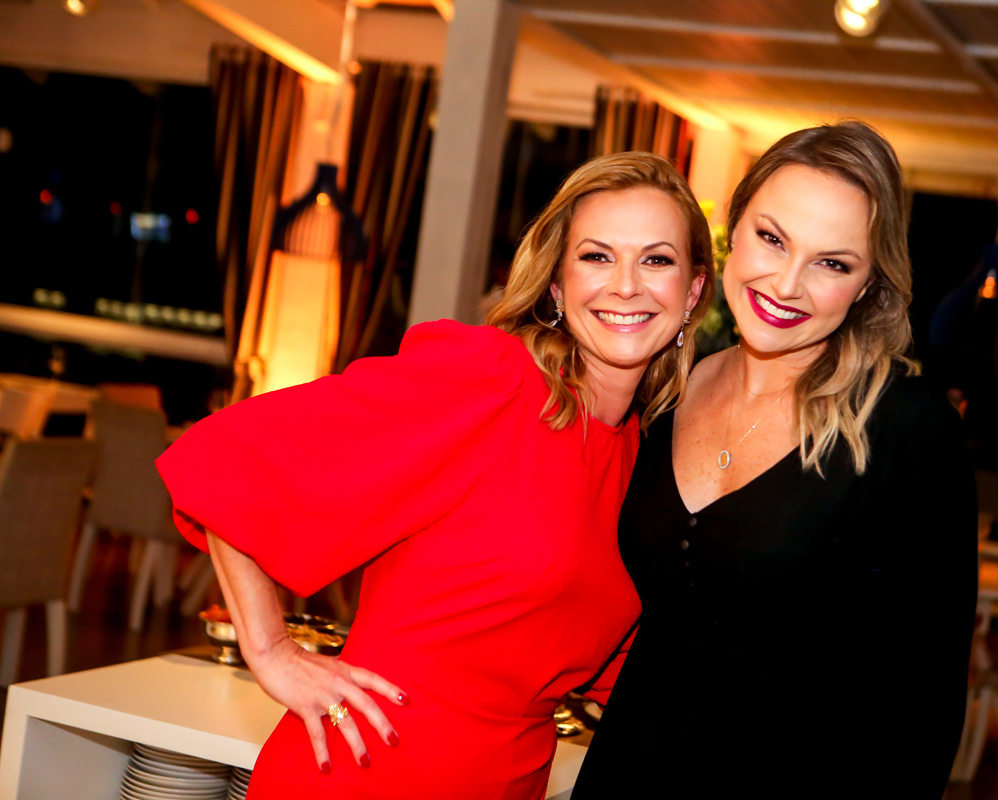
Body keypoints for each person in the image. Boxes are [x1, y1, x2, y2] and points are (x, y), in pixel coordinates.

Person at [156, 151, 713, 799]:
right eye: (596, 256)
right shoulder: (493, 382)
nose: (625, 285)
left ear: (692, 291)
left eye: (656, 260)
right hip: (370, 771)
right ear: (557, 287)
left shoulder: (642, 456)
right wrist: (272, 651)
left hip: (511, 780)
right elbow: (226, 460)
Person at [572, 122, 978, 798]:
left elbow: (926, 702)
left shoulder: (909, 428)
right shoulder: (666, 387)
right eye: (773, 238)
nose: (787, 284)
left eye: (832, 264)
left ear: (868, 285)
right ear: (734, 228)